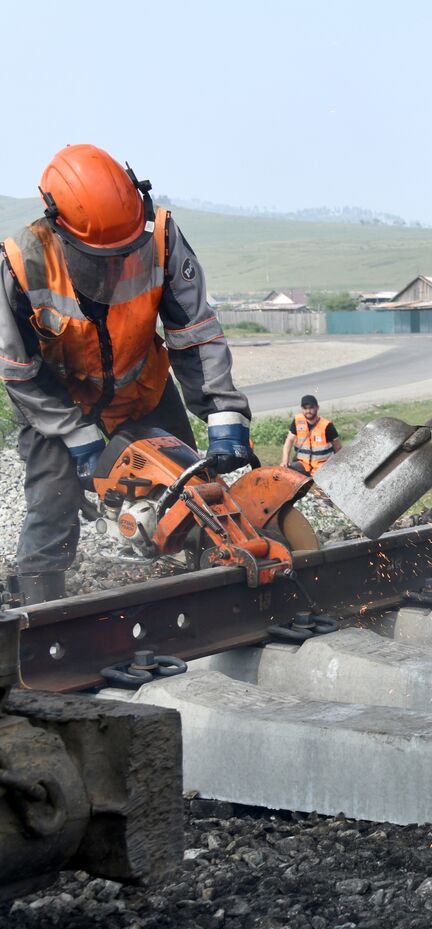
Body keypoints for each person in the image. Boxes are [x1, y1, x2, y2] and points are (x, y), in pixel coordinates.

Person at [0, 145, 252, 604]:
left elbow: (194, 332)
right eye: (101, 257)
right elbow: (19, 370)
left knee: (191, 491)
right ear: (58, 225)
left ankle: (216, 598)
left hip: (143, 387)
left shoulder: (161, 238)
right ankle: (39, 610)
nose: (115, 264)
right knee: (52, 501)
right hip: (60, 404)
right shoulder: (23, 263)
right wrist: (74, 435)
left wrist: (224, 415)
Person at [280, 394, 341, 476]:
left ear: (317, 408)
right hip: (303, 464)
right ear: (302, 409)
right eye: (305, 408)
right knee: (283, 474)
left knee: (317, 488)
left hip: (322, 467)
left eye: (311, 408)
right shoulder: (297, 421)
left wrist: (338, 466)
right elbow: (289, 440)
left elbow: (338, 448)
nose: (308, 411)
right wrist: (285, 460)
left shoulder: (327, 426)